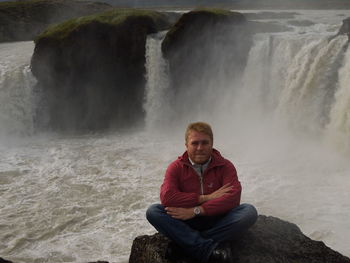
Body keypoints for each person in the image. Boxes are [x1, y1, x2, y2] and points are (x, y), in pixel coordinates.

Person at [146, 122, 258, 263]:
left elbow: (233, 198)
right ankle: (208, 247)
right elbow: (168, 198)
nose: (200, 148)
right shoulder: (175, 168)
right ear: (186, 145)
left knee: (248, 212)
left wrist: (197, 210)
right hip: (186, 221)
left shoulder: (225, 166)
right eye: (195, 143)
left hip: (218, 218)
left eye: (205, 143)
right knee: (154, 211)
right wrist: (205, 198)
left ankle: (186, 244)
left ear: (212, 144)